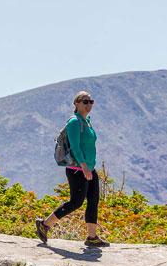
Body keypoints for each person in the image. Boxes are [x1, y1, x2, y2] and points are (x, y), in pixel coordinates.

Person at [35, 91, 110, 247]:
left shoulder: (87, 121)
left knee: (93, 200)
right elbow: (75, 147)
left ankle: (92, 237)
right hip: (77, 169)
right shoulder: (74, 122)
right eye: (85, 101)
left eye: (91, 101)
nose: (88, 105)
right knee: (76, 202)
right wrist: (84, 167)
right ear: (76, 103)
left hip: (89, 167)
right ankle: (45, 225)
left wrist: (89, 168)